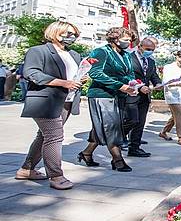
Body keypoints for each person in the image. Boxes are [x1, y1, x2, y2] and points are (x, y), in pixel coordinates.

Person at [17, 21, 85, 190]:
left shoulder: (74, 55)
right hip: (45, 100)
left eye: (74, 34)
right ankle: (56, 176)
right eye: (68, 33)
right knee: (55, 136)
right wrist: (64, 83)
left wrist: (79, 79)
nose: (72, 37)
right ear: (55, 32)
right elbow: (31, 73)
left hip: (67, 101)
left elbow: (72, 75)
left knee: (44, 136)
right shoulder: (38, 51)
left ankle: (26, 169)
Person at [80, 27, 137, 172]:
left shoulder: (126, 55)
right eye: (125, 39)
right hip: (101, 94)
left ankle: (86, 153)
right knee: (111, 126)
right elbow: (95, 73)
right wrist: (120, 85)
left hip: (119, 95)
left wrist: (132, 84)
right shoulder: (101, 52)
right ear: (115, 38)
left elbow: (129, 73)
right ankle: (117, 159)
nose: (128, 42)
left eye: (130, 40)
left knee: (104, 126)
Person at [123, 37, 162, 158]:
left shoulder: (150, 61)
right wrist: (139, 87)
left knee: (140, 123)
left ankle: (134, 147)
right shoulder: (128, 58)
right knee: (132, 120)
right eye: (148, 49)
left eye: (152, 50)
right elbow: (126, 76)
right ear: (140, 46)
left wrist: (158, 84)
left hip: (145, 97)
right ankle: (117, 137)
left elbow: (153, 75)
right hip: (131, 95)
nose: (150, 51)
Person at [159, 50, 181, 145]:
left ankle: (164, 132)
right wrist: (179, 83)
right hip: (171, 94)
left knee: (175, 116)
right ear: (177, 57)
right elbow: (165, 82)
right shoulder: (168, 67)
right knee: (180, 114)